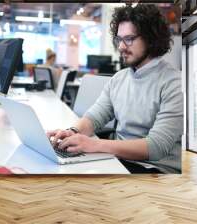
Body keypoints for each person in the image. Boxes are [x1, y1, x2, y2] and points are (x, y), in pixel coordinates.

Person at [47, 4, 183, 174]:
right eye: (119, 39)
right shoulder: (119, 78)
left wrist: (94, 145)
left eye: (129, 39)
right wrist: (72, 132)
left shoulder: (175, 83)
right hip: (118, 160)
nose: (121, 47)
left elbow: (155, 147)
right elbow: (94, 117)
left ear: (150, 38)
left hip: (155, 170)